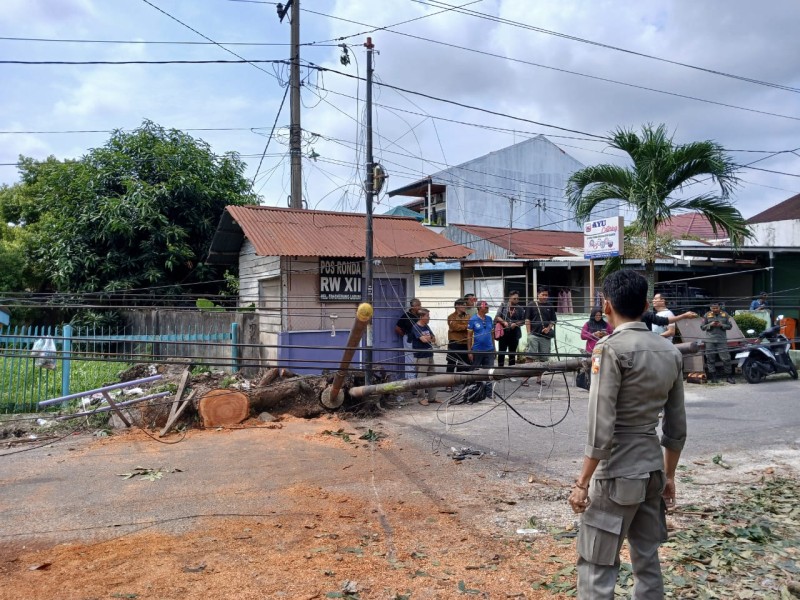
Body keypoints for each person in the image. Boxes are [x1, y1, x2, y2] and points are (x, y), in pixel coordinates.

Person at [568, 269, 686, 599]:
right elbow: (676, 427)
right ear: (646, 305)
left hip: (617, 472)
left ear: (606, 306)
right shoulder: (671, 352)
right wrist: (669, 476)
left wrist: (582, 483)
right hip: (652, 470)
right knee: (647, 561)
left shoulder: (608, 349)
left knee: (597, 564)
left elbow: (600, 426)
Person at [525, 287, 557, 386]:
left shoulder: (550, 306)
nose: (545, 297)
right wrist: (529, 334)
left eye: (546, 295)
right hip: (533, 335)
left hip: (545, 337)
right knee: (530, 357)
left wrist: (548, 328)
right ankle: (525, 378)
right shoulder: (531, 305)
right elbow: (527, 320)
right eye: (543, 294)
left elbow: (553, 320)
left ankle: (539, 378)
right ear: (538, 294)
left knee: (543, 359)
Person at [700, 301, 735, 384]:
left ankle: (728, 377)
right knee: (710, 359)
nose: (715, 309)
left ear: (719, 307)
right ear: (710, 308)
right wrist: (710, 324)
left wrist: (722, 325)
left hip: (721, 340)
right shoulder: (707, 315)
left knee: (726, 358)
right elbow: (702, 327)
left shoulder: (725, 315)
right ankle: (713, 377)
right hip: (710, 340)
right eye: (713, 308)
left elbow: (730, 326)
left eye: (716, 308)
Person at [410, 309, 438, 405]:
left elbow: (434, 339)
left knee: (432, 376)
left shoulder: (426, 326)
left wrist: (428, 338)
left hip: (429, 354)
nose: (429, 318)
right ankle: (421, 398)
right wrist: (429, 338)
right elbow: (424, 340)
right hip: (421, 356)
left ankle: (432, 397)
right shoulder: (416, 327)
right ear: (421, 317)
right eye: (427, 316)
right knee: (421, 377)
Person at [494, 291, 526, 371]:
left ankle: (511, 371)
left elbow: (523, 320)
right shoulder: (503, 305)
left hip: (515, 333)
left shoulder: (520, 308)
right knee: (501, 352)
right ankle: (500, 370)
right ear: (509, 298)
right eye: (514, 298)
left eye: (517, 299)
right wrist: (504, 322)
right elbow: (497, 317)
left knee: (512, 353)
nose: (516, 300)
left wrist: (515, 324)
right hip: (503, 333)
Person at [445, 299, 471, 391]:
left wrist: (465, 327)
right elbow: (455, 327)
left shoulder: (468, 316)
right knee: (451, 363)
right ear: (457, 306)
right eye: (463, 305)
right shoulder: (451, 316)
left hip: (465, 343)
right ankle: (449, 384)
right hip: (454, 342)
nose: (465, 307)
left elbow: (471, 326)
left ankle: (460, 382)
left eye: (465, 305)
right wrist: (466, 326)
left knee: (463, 363)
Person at [395, 298, 421, 380]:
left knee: (418, 360)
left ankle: (417, 379)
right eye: (418, 305)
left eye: (420, 305)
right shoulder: (406, 316)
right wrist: (405, 336)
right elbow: (397, 328)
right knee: (410, 360)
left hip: (419, 341)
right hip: (409, 340)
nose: (420, 307)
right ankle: (411, 380)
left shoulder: (420, 315)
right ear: (412, 307)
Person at [467, 300, 495, 369]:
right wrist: (469, 352)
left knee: (489, 371)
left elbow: (492, 335)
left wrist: (494, 348)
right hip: (477, 350)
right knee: (475, 371)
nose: (488, 308)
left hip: (489, 350)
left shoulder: (489, 319)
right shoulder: (473, 319)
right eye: (486, 307)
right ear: (479, 308)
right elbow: (469, 336)